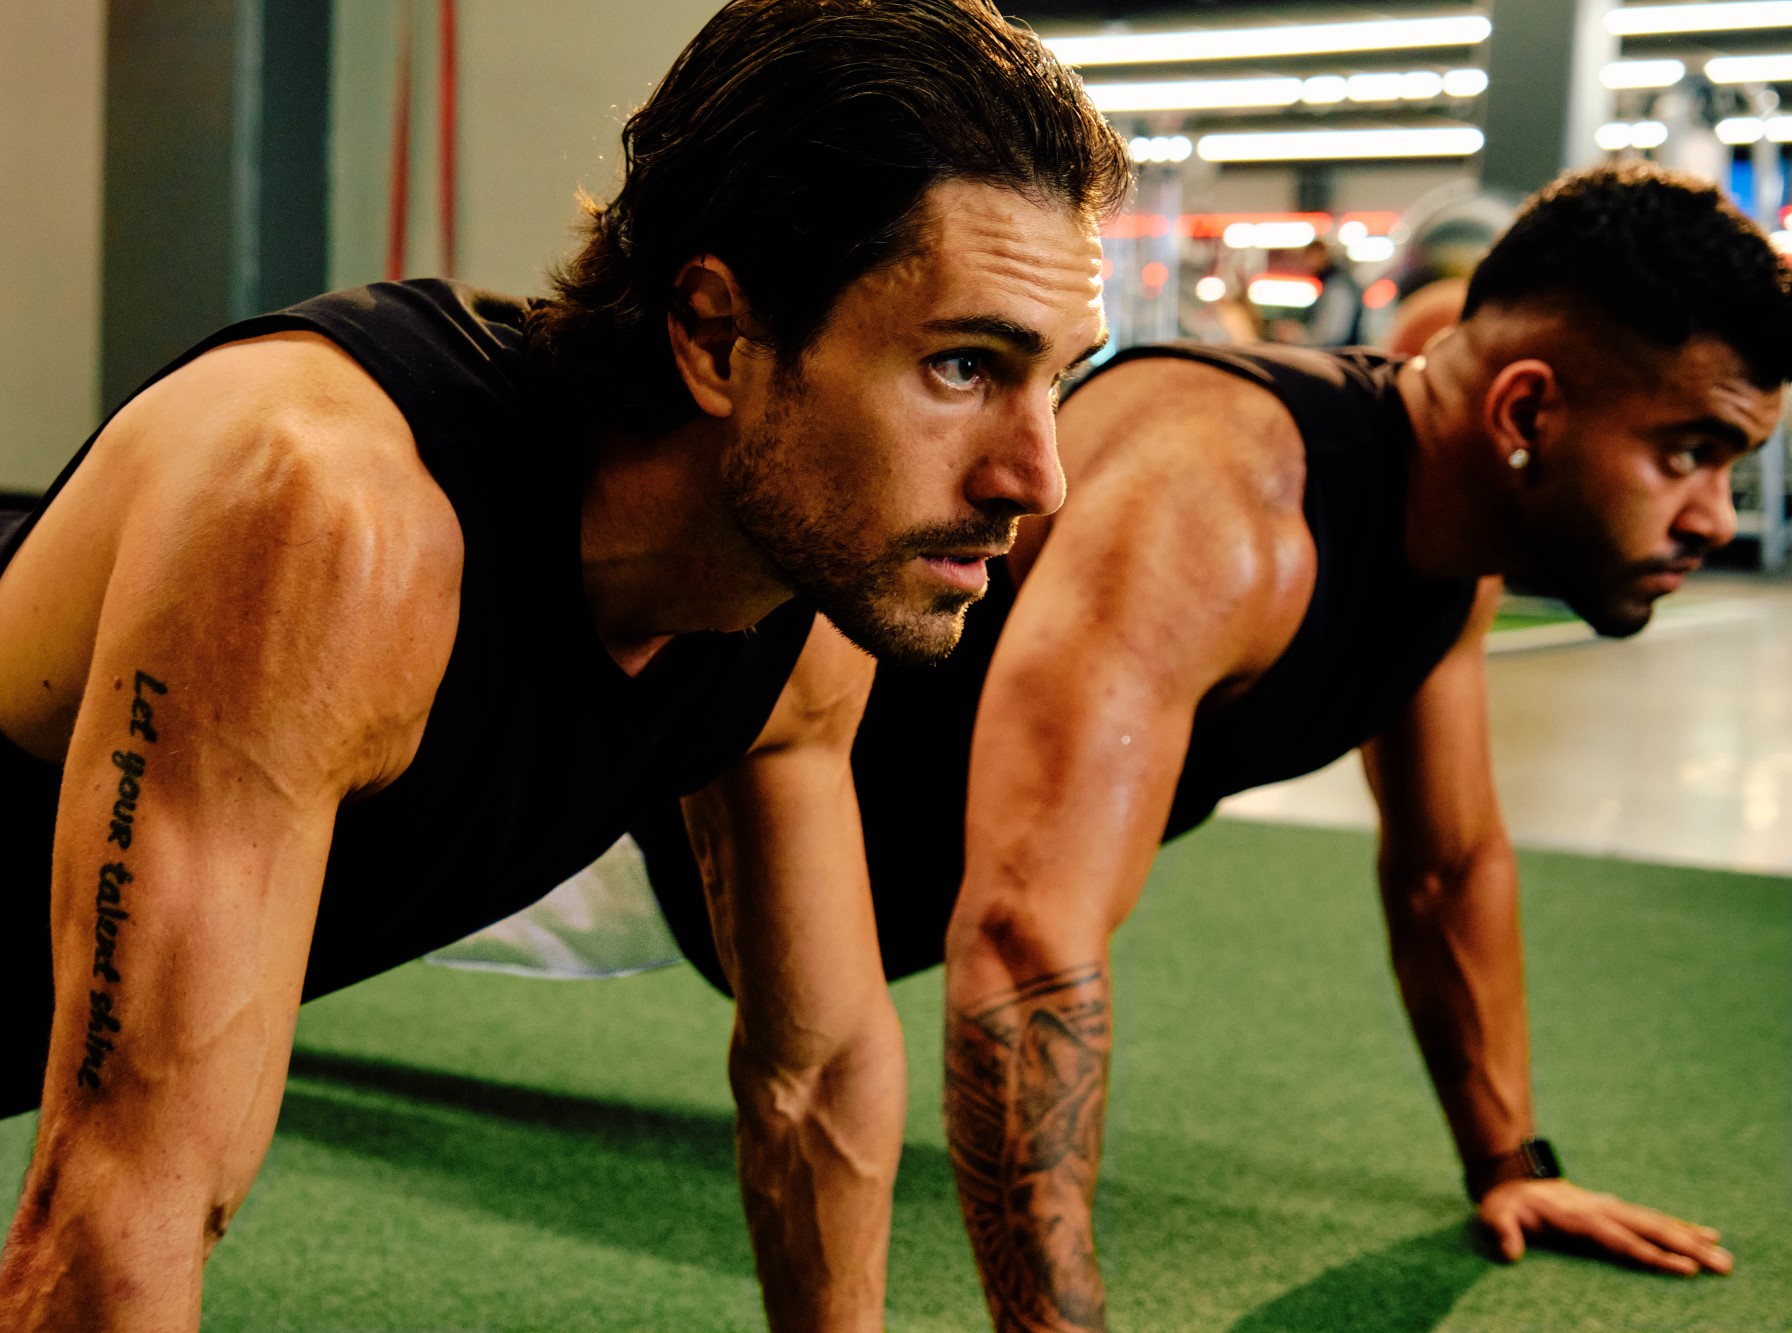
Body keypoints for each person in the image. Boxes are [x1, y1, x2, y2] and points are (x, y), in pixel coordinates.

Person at [0, 2, 1127, 1328]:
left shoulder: (803, 603)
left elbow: (816, 1073)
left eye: (1057, 381)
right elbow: (120, 1209)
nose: (1037, 478)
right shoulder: (326, 514)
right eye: (963, 365)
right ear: (718, 334)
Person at [646, 161, 1788, 1328]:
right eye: (1686, 452)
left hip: (841, 880)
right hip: (653, 805)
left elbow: (1446, 867)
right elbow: (1024, 939)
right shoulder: (1223, 508)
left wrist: (1510, 1163)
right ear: (1526, 413)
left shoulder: (1451, 545)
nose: (1712, 515)